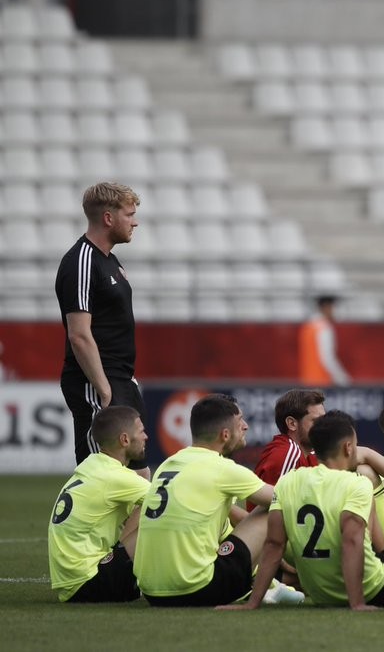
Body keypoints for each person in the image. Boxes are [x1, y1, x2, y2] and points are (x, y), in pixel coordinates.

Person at [223, 411, 384, 610]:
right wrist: (357, 603)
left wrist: (253, 603)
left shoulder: (288, 482)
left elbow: (273, 545)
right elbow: (352, 542)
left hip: (321, 595)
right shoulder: (358, 484)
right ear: (348, 448)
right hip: (376, 591)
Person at [133, 394, 287, 606]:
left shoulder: (167, 464)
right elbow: (284, 499)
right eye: (240, 421)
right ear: (225, 435)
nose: (246, 426)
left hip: (152, 592)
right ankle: (274, 581)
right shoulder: (222, 469)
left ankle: (270, 581)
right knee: (271, 509)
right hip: (198, 589)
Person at [55, 182, 147, 474]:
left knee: (140, 477)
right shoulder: (81, 261)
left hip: (121, 379)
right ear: (108, 218)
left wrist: (126, 383)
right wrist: (104, 391)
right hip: (98, 382)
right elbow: (79, 334)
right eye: (129, 214)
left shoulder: (111, 261)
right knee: (102, 480)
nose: (135, 221)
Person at [48, 405, 150, 603]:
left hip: (73, 583)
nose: (146, 436)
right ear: (125, 440)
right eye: (142, 431)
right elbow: (169, 502)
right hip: (90, 581)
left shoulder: (93, 465)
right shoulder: (114, 477)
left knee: (152, 509)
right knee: (166, 518)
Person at [298, 295, 351, 387]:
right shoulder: (324, 328)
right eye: (333, 308)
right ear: (326, 308)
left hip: (308, 382)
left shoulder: (307, 327)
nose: (335, 312)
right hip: (322, 383)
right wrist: (343, 380)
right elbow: (327, 358)